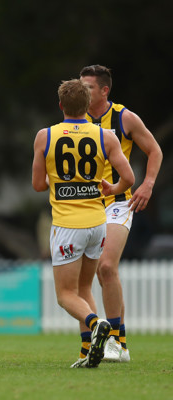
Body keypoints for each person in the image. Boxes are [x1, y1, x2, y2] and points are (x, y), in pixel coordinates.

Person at [32, 79, 135, 368]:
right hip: (98, 224)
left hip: (68, 225)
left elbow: (38, 185)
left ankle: (97, 322)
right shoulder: (106, 136)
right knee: (85, 288)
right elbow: (128, 178)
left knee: (66, 296)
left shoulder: (45, 136)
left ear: (61, 105)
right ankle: (87, 351)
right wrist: (111, 189)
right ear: (88, 106)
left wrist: (58, 179)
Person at [80, 65, 162, 363]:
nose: (82, 91)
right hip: (85, 205)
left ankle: (118, 343)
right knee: (85, 277)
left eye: (88, 87)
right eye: (80, 86)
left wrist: (148, 184)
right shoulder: (75, 120)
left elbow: (155, 150)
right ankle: (93, 343)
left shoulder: (124, 117)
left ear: (104, 90)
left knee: (106, 267)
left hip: (119, 202)